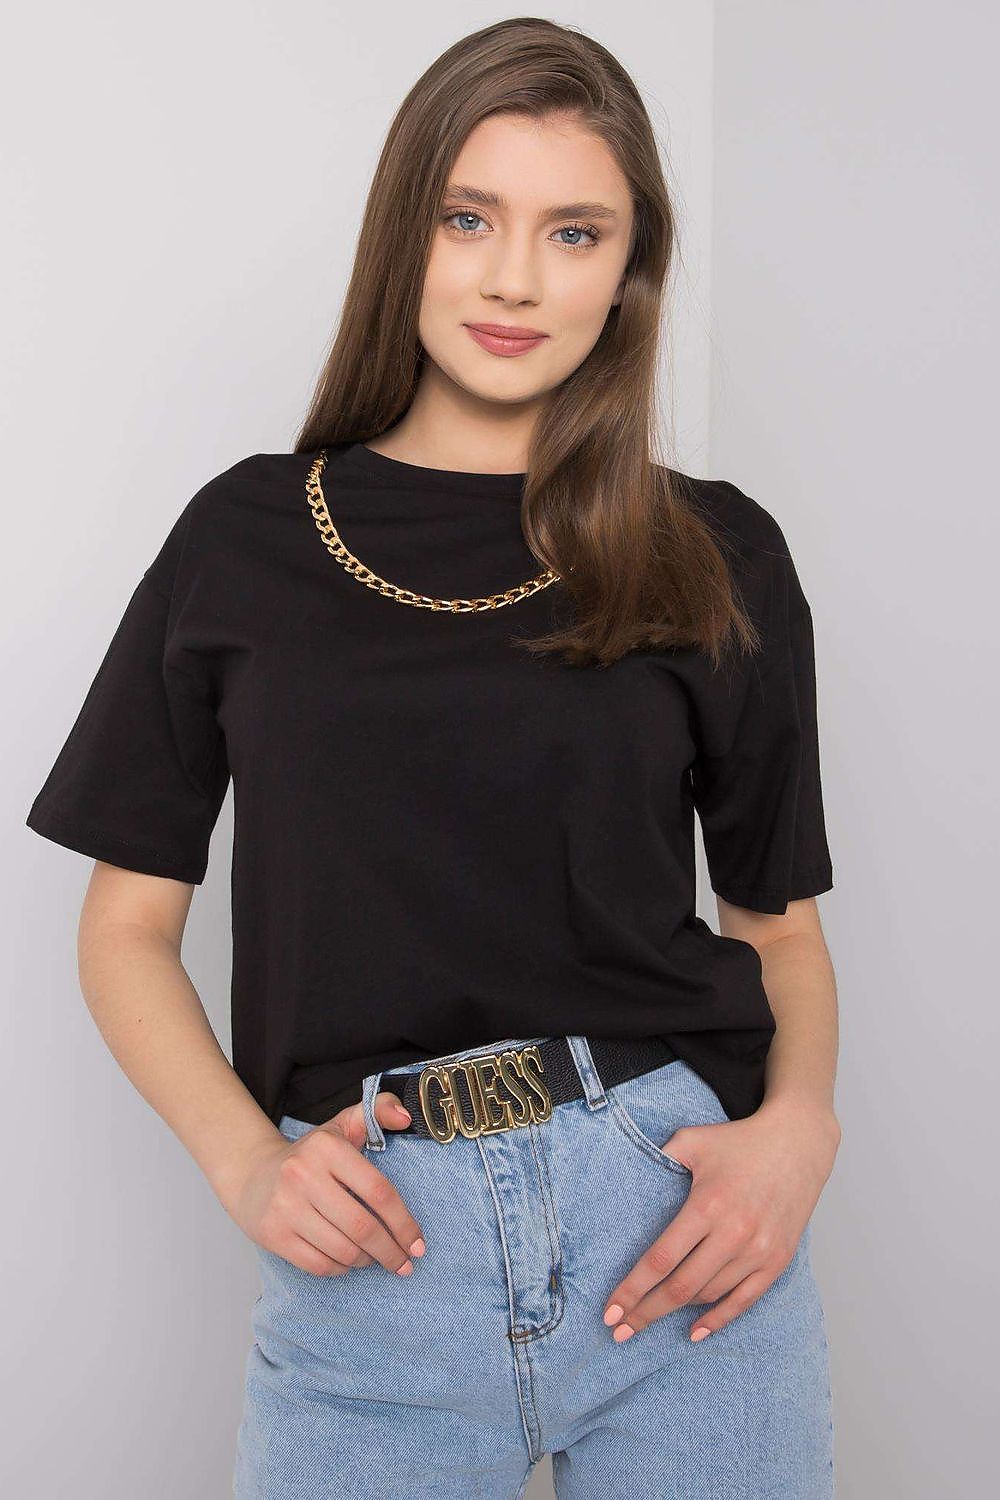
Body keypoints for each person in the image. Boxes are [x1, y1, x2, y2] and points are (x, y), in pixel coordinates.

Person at [25, 17, 840, 1500]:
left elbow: (776, 925)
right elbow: (126, 926)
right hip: (375, 1263)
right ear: (405, 231)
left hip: (679, 1238)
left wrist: (798, 1131)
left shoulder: (715, 548)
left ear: (629, 269)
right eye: (470, 218)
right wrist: (246, 1162)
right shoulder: (247, 538)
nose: (516, 278)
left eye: (575, 231)